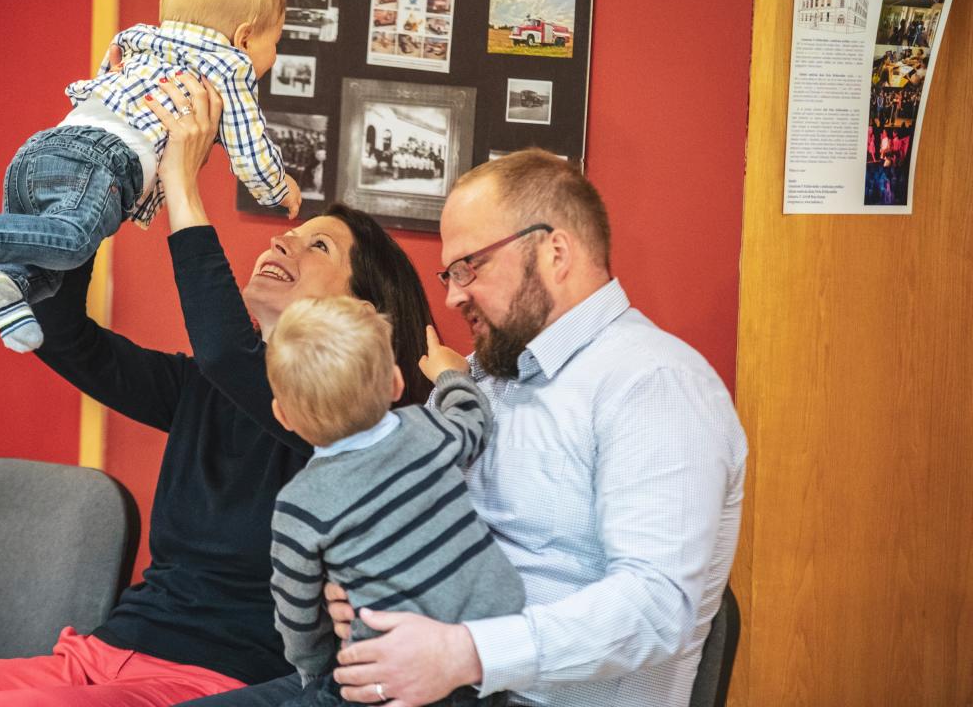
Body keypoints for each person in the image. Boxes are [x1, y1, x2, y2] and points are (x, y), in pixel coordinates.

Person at [0, 78, 432, 704]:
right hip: (94, 657)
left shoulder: (353, 427)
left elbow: (226, 352)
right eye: (295, 231)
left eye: (320, 246)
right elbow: (63, 336)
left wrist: (181, 182)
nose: (282, 239)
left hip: (207, 684)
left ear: (363, 308)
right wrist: (100, 192)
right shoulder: (202, 387)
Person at [313, 150, 747, 707]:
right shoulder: (490, 375)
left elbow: (656, 609)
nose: (453, 295)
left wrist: (462, 653)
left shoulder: (655, 383)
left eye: (469, 266)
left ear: (554, 252)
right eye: (450, 274)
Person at [0, 0, 301, 353]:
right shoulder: (231, 66)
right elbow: (249, 148)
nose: (274, 55)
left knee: (48, 261)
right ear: (244, 38)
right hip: (101, 162)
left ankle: (11, 295)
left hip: (43, 147)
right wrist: (277, 188)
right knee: (74, 241)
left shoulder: (138, 38)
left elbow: (106, 81)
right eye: (275, 43)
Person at [264, 296, 526, 707]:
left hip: (389, 671)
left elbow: (297, 611)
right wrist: (451, 376)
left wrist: (313, 669)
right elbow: (475, 420)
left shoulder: (299, 506)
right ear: (396, 383)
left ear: (283, 415)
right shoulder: (427, 429)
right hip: (487, 653)